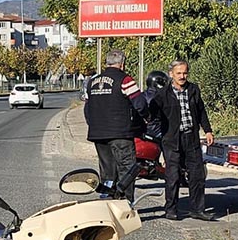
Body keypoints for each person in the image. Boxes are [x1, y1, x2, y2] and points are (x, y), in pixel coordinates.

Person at [151, 60, 214, 221]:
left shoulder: (193, 89)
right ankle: (171, 209)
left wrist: (207, 130)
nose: (182, 76)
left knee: (197, 175)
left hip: (191, 137)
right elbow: (153, 118)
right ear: (171, 74)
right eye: (178, 73)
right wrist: (162, 135)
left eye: (185, 73)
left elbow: (201, 111)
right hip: (172, 140)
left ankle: (197, 209)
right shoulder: (162, 94)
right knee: (172, 176)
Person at [84, 49, 149, 200]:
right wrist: (147, 118)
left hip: (98, 134)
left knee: (107, 171)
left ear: (106, 63)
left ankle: (107, 201)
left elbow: (87, 108)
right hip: (120, 133)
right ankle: (125, 204)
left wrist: (93, 124)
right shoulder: (125, 80)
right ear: (122, 64)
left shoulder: (92, 82)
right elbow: (140, 104)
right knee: (127, 168)